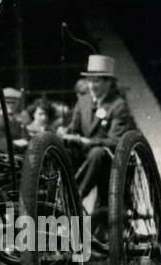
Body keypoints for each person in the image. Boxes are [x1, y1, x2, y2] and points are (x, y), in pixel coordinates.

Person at [58, 55, 136, 201]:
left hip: (107, 159)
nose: (92, 86)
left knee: (97, 153)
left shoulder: (118, 105)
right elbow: (74, 128)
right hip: (83, 154)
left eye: (97, 81)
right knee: (61, 148)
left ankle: (75, 196)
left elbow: (115, 140)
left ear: (108, 83)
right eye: (90, 81)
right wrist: (66, 133)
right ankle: (54, 194)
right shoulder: (83, 101)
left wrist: (89, 142)